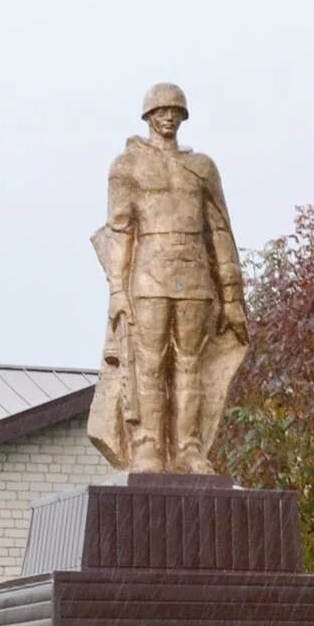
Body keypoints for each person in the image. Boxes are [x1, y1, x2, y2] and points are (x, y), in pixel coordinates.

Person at [90, 83, 249, 472]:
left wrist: (231, 297)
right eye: (161, 111)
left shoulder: (202, 168)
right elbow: (120, 231)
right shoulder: (127, 166)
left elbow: (221, 233)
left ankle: (188, 448)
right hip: (147, 276)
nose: (168, 117)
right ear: (147, 116)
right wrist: (116, 291)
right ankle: (146, 445)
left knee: (191, 363)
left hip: (195, 277)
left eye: (176, 111)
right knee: (147, 362)